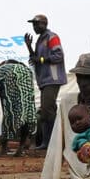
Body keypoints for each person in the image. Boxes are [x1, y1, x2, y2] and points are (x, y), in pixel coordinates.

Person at [25, 14, 66, 150]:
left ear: (44, 24)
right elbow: (35, 59)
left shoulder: (51, 37)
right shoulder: (39, 40)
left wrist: (41, 60)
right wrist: (29, 47)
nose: (35, 27)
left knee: (47, 110)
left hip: (52, 79)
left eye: (37, 24)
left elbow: (58, 55)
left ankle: (52, 142)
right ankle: (48, 142)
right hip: (44, 80)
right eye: (34, 25)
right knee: (48, 111)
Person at [0, 60, 38, 156]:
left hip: (13, 77)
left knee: (9, 112)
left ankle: (4, 148)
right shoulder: (8, 64)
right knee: (28, 109)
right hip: (27, 72)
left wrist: (6, 103)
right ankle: (26, 146)